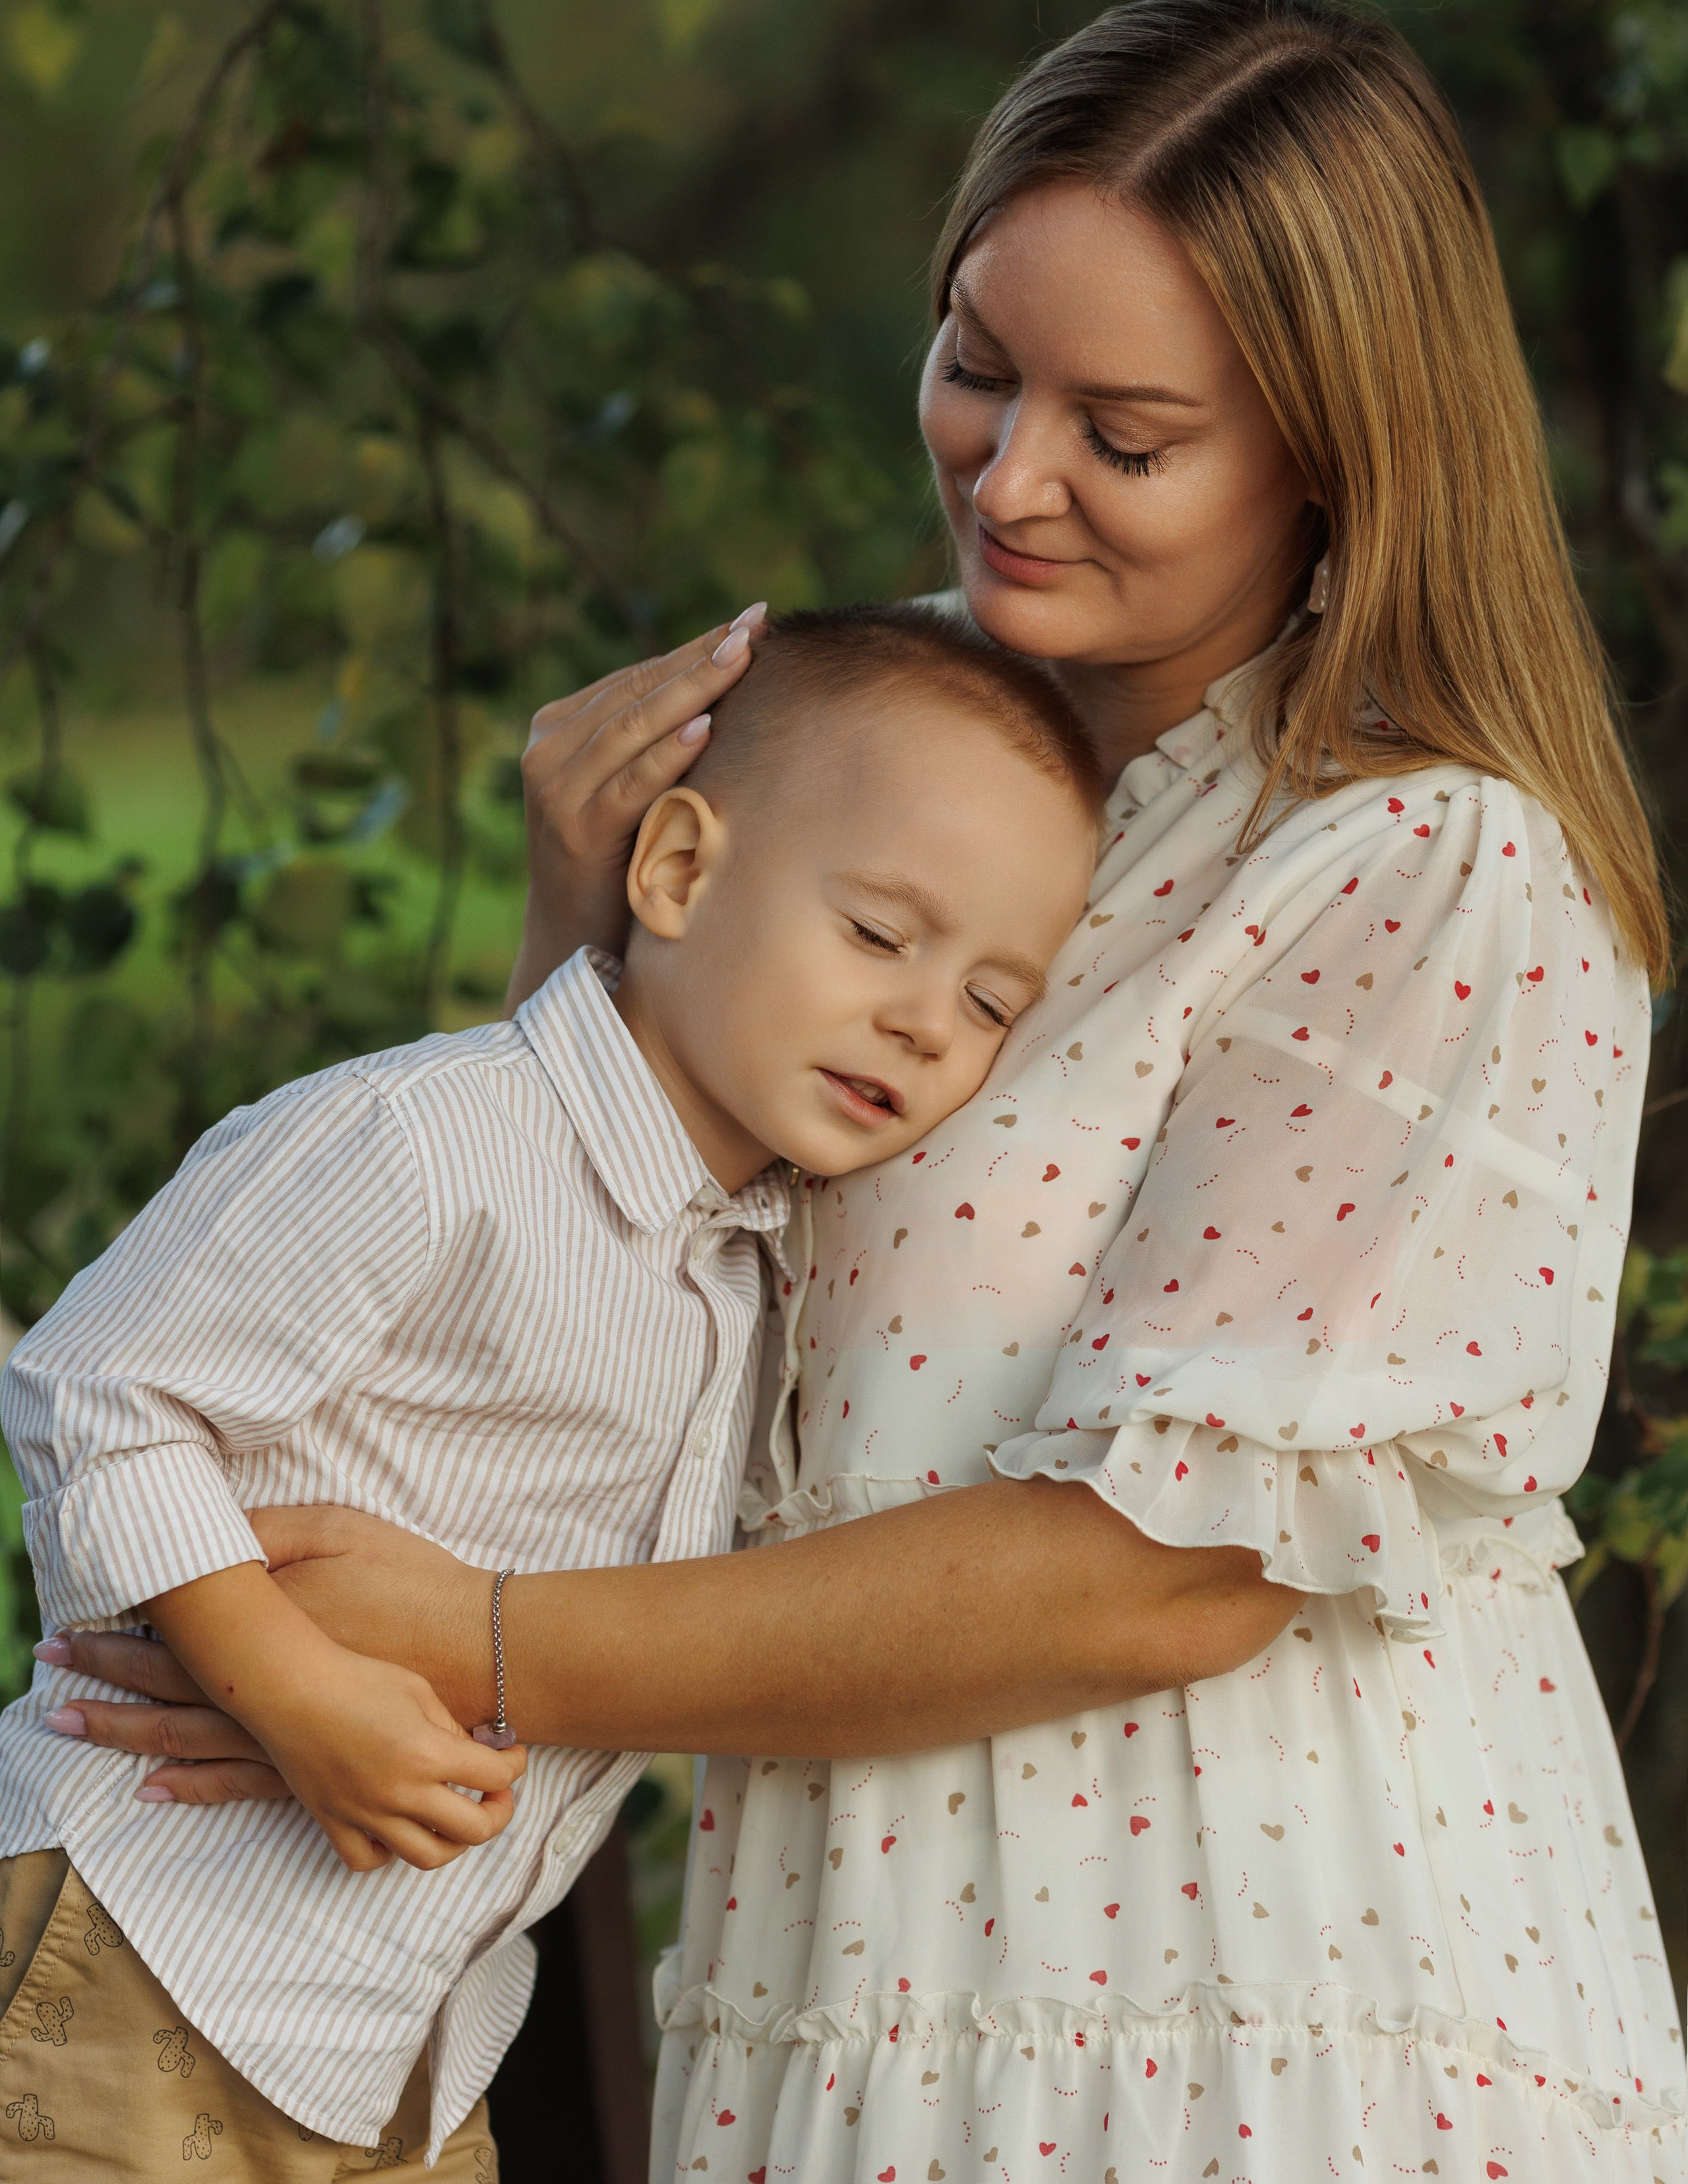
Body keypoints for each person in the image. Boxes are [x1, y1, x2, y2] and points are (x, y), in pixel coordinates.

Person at [47, 0, 1685, 2181]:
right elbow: (592, 1317)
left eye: (1127, 433)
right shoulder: (864, 751)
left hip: (1247, 1999)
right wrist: (585, 923)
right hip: (862, 1961)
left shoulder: (1415, 863)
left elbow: (1176, 1571)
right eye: (980, 367)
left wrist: (474, 1643)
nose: (1011, 476)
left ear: (1334, 443)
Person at [0, 606, 1106, 2177]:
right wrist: (288, 1685)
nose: (927, 1020)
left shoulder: (745, 1269)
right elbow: (96, 1391)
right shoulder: (434, 1139)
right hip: (150, 1939)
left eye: (993, 1002)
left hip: (402, 2031)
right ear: (674, 871)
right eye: (876, 935)